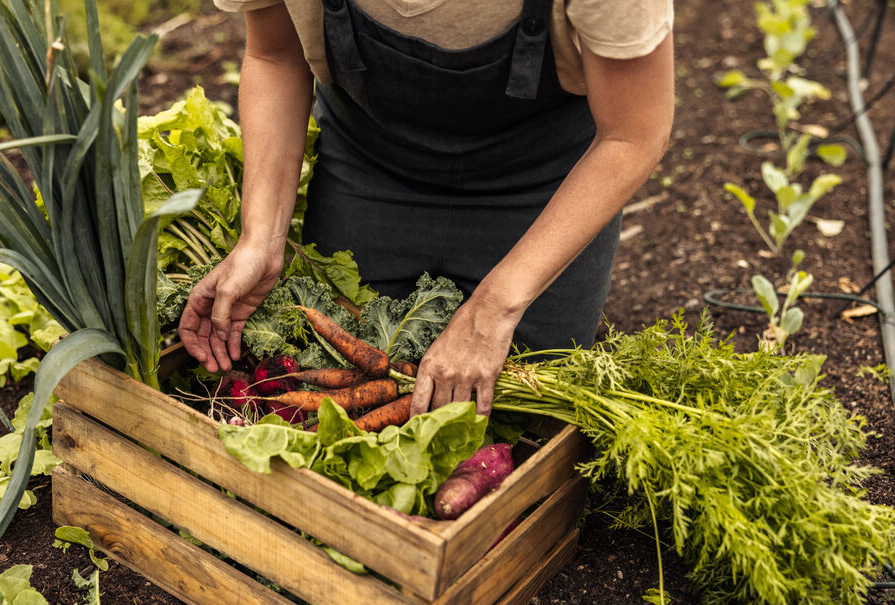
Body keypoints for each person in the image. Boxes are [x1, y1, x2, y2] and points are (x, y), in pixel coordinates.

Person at [178, 0, 675, 419]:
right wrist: (261, 240)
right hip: (370, 164)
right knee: (340, 386)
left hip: (543, 182)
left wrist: (494, 308)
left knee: (525, 416)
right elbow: (275, 55)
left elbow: (633, 135)